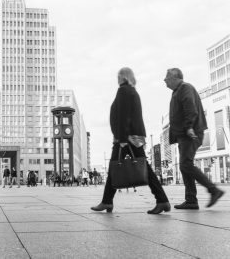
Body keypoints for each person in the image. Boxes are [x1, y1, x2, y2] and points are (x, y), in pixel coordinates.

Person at [91, 67, 170, 214]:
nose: (117, 78)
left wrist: (122, 138)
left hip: (126, 137)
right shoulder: (132, 91)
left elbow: (124, 115)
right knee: (138, 168)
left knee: (117, 168)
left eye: (118, 76)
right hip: (132, 136)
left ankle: (107, 201)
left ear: (123, 77)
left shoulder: (124, 90)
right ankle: (162, 200)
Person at [164, 68, 225, 209]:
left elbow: (191, 109)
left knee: (185, 165)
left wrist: (189, 126)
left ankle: (213, 190)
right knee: (185, 166)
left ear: (175, 77)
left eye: (167, 77)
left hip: (190, 133)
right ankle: (191, 200)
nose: (165, 80)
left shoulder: (185, 88)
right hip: (184, 134)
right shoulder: (177, 91)